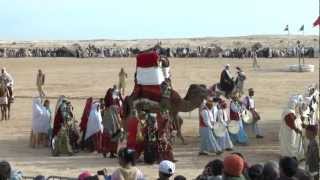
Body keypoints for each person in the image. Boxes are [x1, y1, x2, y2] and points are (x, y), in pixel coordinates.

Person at [279, 95, 304, 160]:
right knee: (290, 144)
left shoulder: (289, 111)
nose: (296, 106)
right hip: (289, 132)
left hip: (289, 131)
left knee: (290, 144)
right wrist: (297, 129)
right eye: (295, 105)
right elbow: (291, 123)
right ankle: (290, 156)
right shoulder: (289, 112)